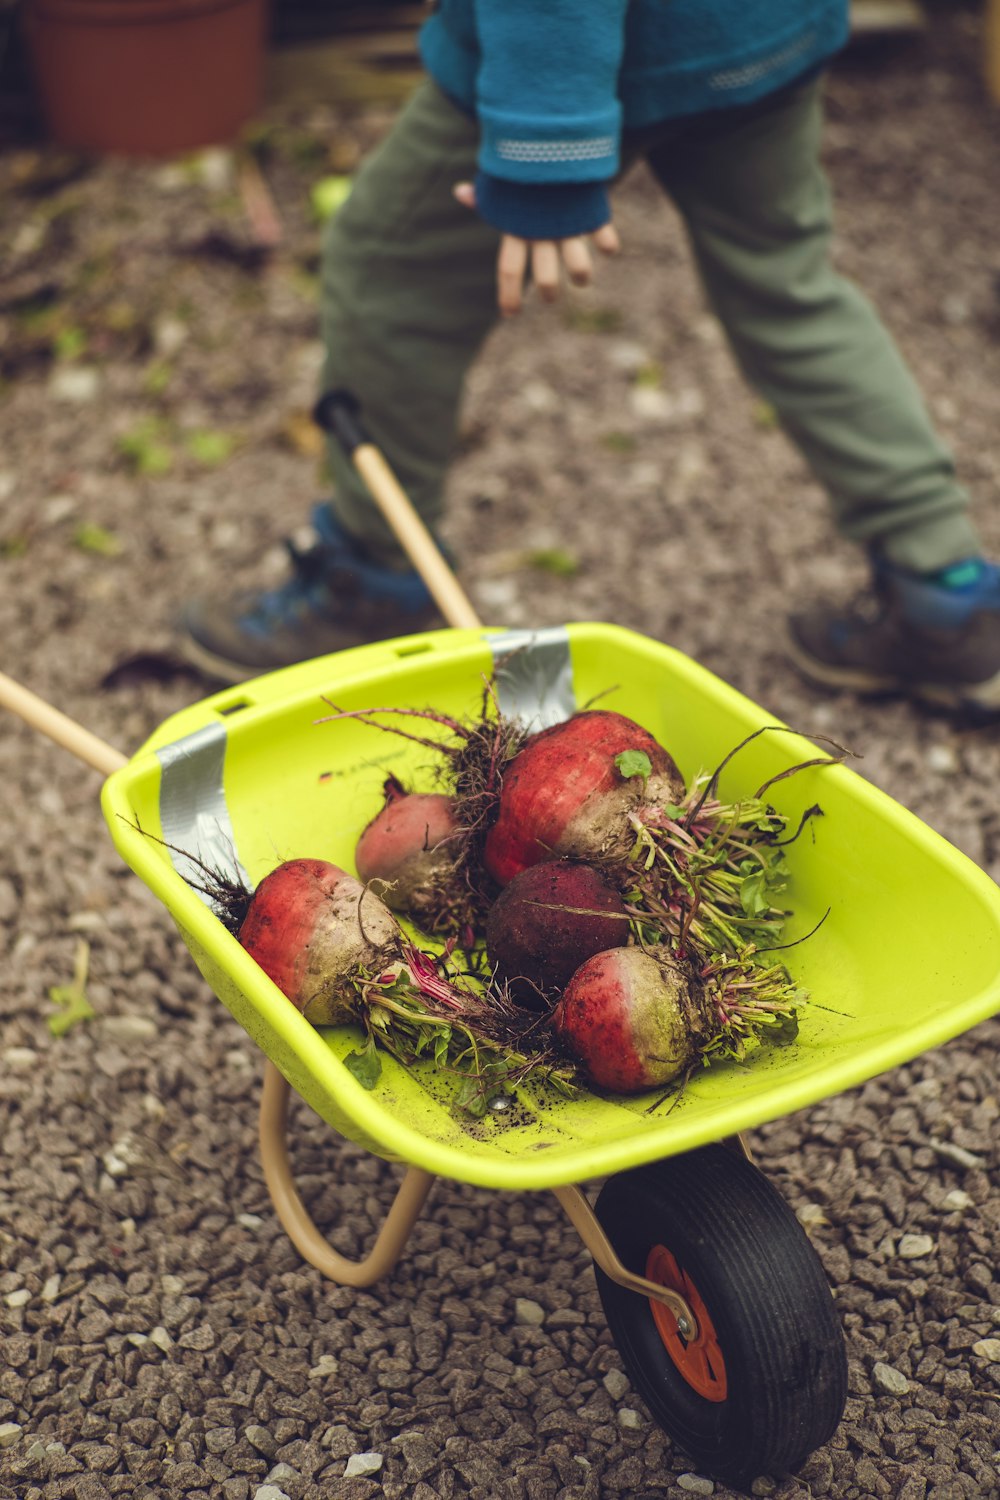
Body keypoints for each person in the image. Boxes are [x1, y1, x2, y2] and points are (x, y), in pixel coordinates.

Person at [181, 0, 1000, 712]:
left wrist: (545, 147)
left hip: (618, 47)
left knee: (391, 276)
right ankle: (945, 591)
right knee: (789, 285)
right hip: (760, 32)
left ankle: (375, 576)